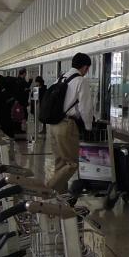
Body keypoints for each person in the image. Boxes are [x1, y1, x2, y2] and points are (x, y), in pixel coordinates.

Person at [46, 53, 91, 192]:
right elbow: (85, 108)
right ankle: (48, 188)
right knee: (72, 163)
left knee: (60, 162)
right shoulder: (81, 81)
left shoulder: (60, 79)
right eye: (88, 68)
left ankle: (60, 195)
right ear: (85, 67)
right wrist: (88, 127)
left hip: (53, 125)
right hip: (66, 126)